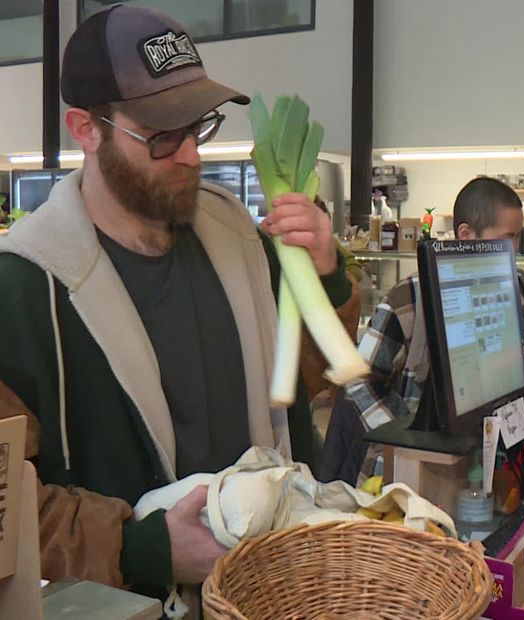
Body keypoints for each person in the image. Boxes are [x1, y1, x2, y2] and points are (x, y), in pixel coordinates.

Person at [0, 4, 359, 598]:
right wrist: (147, 549)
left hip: (262, 590)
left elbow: (299, 379)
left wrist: (324, 278)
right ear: (86, 129)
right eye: (162, 136)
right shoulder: (24, 288)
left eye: (199, 126)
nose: (192, 155)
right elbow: (10, 501)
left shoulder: (237, 234)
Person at [320, 177, 524, 483]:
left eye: (518, 238)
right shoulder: (409, 299)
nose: (514, 251)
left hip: (497, 463)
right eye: (507, 238)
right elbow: (358, 383)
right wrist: (407, 437)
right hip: (410, 476)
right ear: (466, 235)